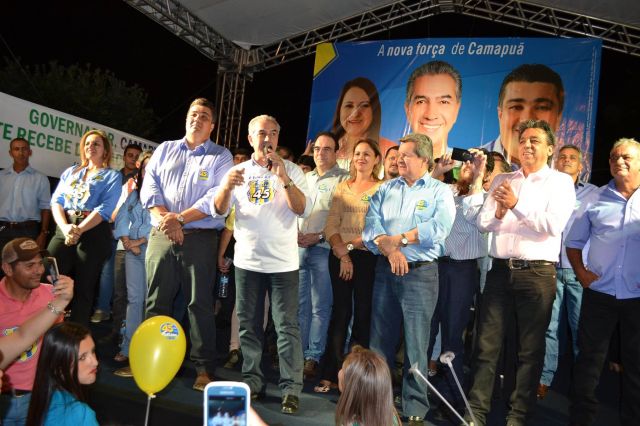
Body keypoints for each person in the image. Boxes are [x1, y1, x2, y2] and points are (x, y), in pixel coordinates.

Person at [464, 119, 575, 426]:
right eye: (523, 140)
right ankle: (476, 413)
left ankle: (518, 416)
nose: (526, 145)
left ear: (550, 149)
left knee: (529, 351)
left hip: (537, 275)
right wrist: (500, 212)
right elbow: (483, 223)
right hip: (499, 271)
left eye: (534, 140)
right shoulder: (504, 179)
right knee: (486, 346)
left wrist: (516, 204)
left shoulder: (560, 183)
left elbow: (553, 225)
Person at [213, 114, 311, 415]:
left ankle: (291, 389)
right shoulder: (237, 171)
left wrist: (283, 178)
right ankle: (253, 382)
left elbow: (302, 209)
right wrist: (226, 187)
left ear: (278, 137)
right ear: (250, 137)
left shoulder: (292, 170)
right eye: (261, 133)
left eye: (273, 133)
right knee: (249, 326)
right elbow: (219, 210)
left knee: (286, 327)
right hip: (247, 262)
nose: (267, 138)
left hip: (283, 264)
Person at [140, 97, 233, 391]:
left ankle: (203, 369)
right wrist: (167, 220)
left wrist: (179, 219)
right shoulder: (165, 149)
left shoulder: (221, 156)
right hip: (161, 234)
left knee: (199, 304)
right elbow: (150, 186)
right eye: (193, 114)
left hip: (200, 239)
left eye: (204, 116)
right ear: (186, 118)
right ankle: (152, 361)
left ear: (212, 125)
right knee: (156, 301)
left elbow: (216, 199)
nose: (197, 119)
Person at [363, 133, 455, 425]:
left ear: (425, 159)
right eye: (398, 154)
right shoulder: (385, 189)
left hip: (421, 274)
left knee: (416, 342)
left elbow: (438, 228)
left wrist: (400, 239)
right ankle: (377, 402)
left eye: (406, 155)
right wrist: (392, 251)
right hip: (385, 270)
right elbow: (370, 228)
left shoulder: (440, 191)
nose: (399, 159)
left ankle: (415, 406)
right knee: (380, 341)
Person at [566, 138, 640, 425]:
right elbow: (573, 243)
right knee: (588, 363)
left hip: (636, 299)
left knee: (636, 366)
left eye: (626, 157)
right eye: (613, 157)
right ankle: (581, 420)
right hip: (599, 295)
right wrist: (581, 273)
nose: (619, 161)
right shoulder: (595, 199)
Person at [315, 138, 382, 393]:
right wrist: (342, 253)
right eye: (357, 153)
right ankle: (331, 373)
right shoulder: (342, 187)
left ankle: (356, 379)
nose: (361, 158)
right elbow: (331, 224)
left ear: (376, 160)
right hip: (339, 256)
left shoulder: (382, 189)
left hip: (367, 258)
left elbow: (376, 229)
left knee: (363, 315)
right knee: (340, 314)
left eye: (367, 154)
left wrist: (349, 249)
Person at [427, 149, 488, 418]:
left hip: (462, 271)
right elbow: (423, 199)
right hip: (435, 266)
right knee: (426, 331)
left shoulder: (484, 197)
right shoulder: (447, 190)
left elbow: (478, 220)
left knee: (452, 337)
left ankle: (453, 400)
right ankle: (418, 394)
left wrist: (477, 178)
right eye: (466, 162)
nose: (468, 165)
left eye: (475, 163)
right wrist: (438, 172)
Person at [537, 144, 598, 399]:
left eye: (573, 158)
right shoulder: (544, 190)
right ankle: (544, 378)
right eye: (562, 157)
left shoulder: (594, 194)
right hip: (548, 268)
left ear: (581, 166)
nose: (567, 160)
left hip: (577, 271)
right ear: (555, 162)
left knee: (579, 329)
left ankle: (582, 385)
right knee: (548, 327)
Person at [47, 129, 121, 325]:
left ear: (106, 150)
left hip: (93, 231)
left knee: (84, 287)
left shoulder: (112, 176)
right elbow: (56, 201)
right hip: (65, 227)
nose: (91, 147)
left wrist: (79, 230)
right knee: (49, 275)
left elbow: (105, 209)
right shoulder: (70, 172)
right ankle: (45, 327)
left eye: (96, 143)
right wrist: (65, 227)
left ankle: (76, 336)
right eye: (87, 143)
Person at [0, 237, 74, 425]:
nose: (39, 270)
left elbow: (57, 342)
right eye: (29, 265)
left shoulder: (51, 294)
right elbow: (22, 336)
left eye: (40, 263)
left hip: (39, 396)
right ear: (8, 269)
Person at [297, 132, 348, 380]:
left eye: (327, 149)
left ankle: (313, 356)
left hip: (324, 248)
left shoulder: (344, 179)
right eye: (317, 149)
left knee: (320, 306)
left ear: (337, 152)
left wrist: (318, 236)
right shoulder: (304, 178)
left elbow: (343, 219)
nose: (320, 153)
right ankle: (298, 354)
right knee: (300, 305)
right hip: (298, 248)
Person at [111, 150, 153, 377]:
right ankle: (128, 347)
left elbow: (158, 222)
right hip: (131, 250)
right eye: (145, 167)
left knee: (149, 301)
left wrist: (139, 241)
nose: (148, 171)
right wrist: (127, 241)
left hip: (151, 250)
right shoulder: (134, 194)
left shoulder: (163, 194)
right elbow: (121, 218)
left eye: (152, 167)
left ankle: (145, 349)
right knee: (134, 299)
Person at [91, 142, 142, 325]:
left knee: (125, 279)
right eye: (130, 155)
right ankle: (103, 308)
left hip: (130, 236)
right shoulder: (113, 176)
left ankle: (122, 318)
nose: (133, 159)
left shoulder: (141, 181)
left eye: (137, 156)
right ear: (124, 156)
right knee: (106, 271)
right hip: (107, 229)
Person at [482, 64, 564, 168]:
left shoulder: (567, 169)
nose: (527, 119)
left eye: (542, 107)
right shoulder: (470, 164)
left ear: (558, 116)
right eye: (516, 107)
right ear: (500, 114)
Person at [25, 322, 99, 426]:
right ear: (59, 367)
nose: (95, 362)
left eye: (93, 351)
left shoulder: (39, 400)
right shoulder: (81, 414)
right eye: (82, 357)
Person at [0, 138, 51, 267]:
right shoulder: (1, 176)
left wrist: (43, 233)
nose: (20, 152)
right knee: (3, 269)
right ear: (10, 153)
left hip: (28, 231)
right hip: (3, 229)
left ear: (30, 152)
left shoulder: (40, 178)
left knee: (25, 270)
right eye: (16, 149)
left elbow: (45, 207)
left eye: (24, 149)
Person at [331, 77, 395, 169]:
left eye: (364, 105)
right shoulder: (326, 148)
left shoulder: (389, 150)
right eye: (349, 106)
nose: (355, 113)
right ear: (339, 110)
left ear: (374, 111)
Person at [404, 60, 462, 160]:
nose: (431, 115)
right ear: (407, 110)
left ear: (456, 110)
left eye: (443, 102)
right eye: (421, 101)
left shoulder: (470, 166)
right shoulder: (389, 163)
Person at [335, 345, 401, 426]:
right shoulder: (390, 415)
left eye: (343, 369)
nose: (339, 372)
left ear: (354, 388)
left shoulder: (352, 423)